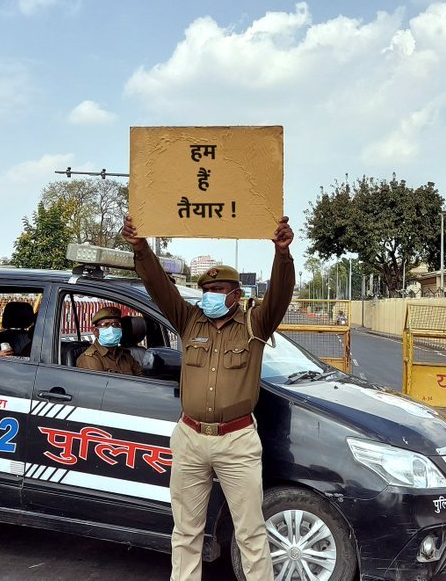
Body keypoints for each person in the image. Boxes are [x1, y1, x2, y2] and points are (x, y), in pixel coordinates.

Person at [121, 214, 295, 581]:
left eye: (218, 292)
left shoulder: (255, 324)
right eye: (207, 291)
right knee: (185, 532)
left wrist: (282, 255)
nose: (210, 297)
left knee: (250, 532)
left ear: (236, 295)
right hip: (190, 438)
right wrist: (140, 248)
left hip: (237, 441)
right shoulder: (189, 321)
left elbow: (280, 296)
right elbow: (158, 287)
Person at [76, 306, 143, 376]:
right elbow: (97, 385)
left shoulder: (125, 355)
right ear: (96, 331)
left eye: (116, 324)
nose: (111, 329)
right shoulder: (90, 358)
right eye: (105, 325)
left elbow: (142, 378)